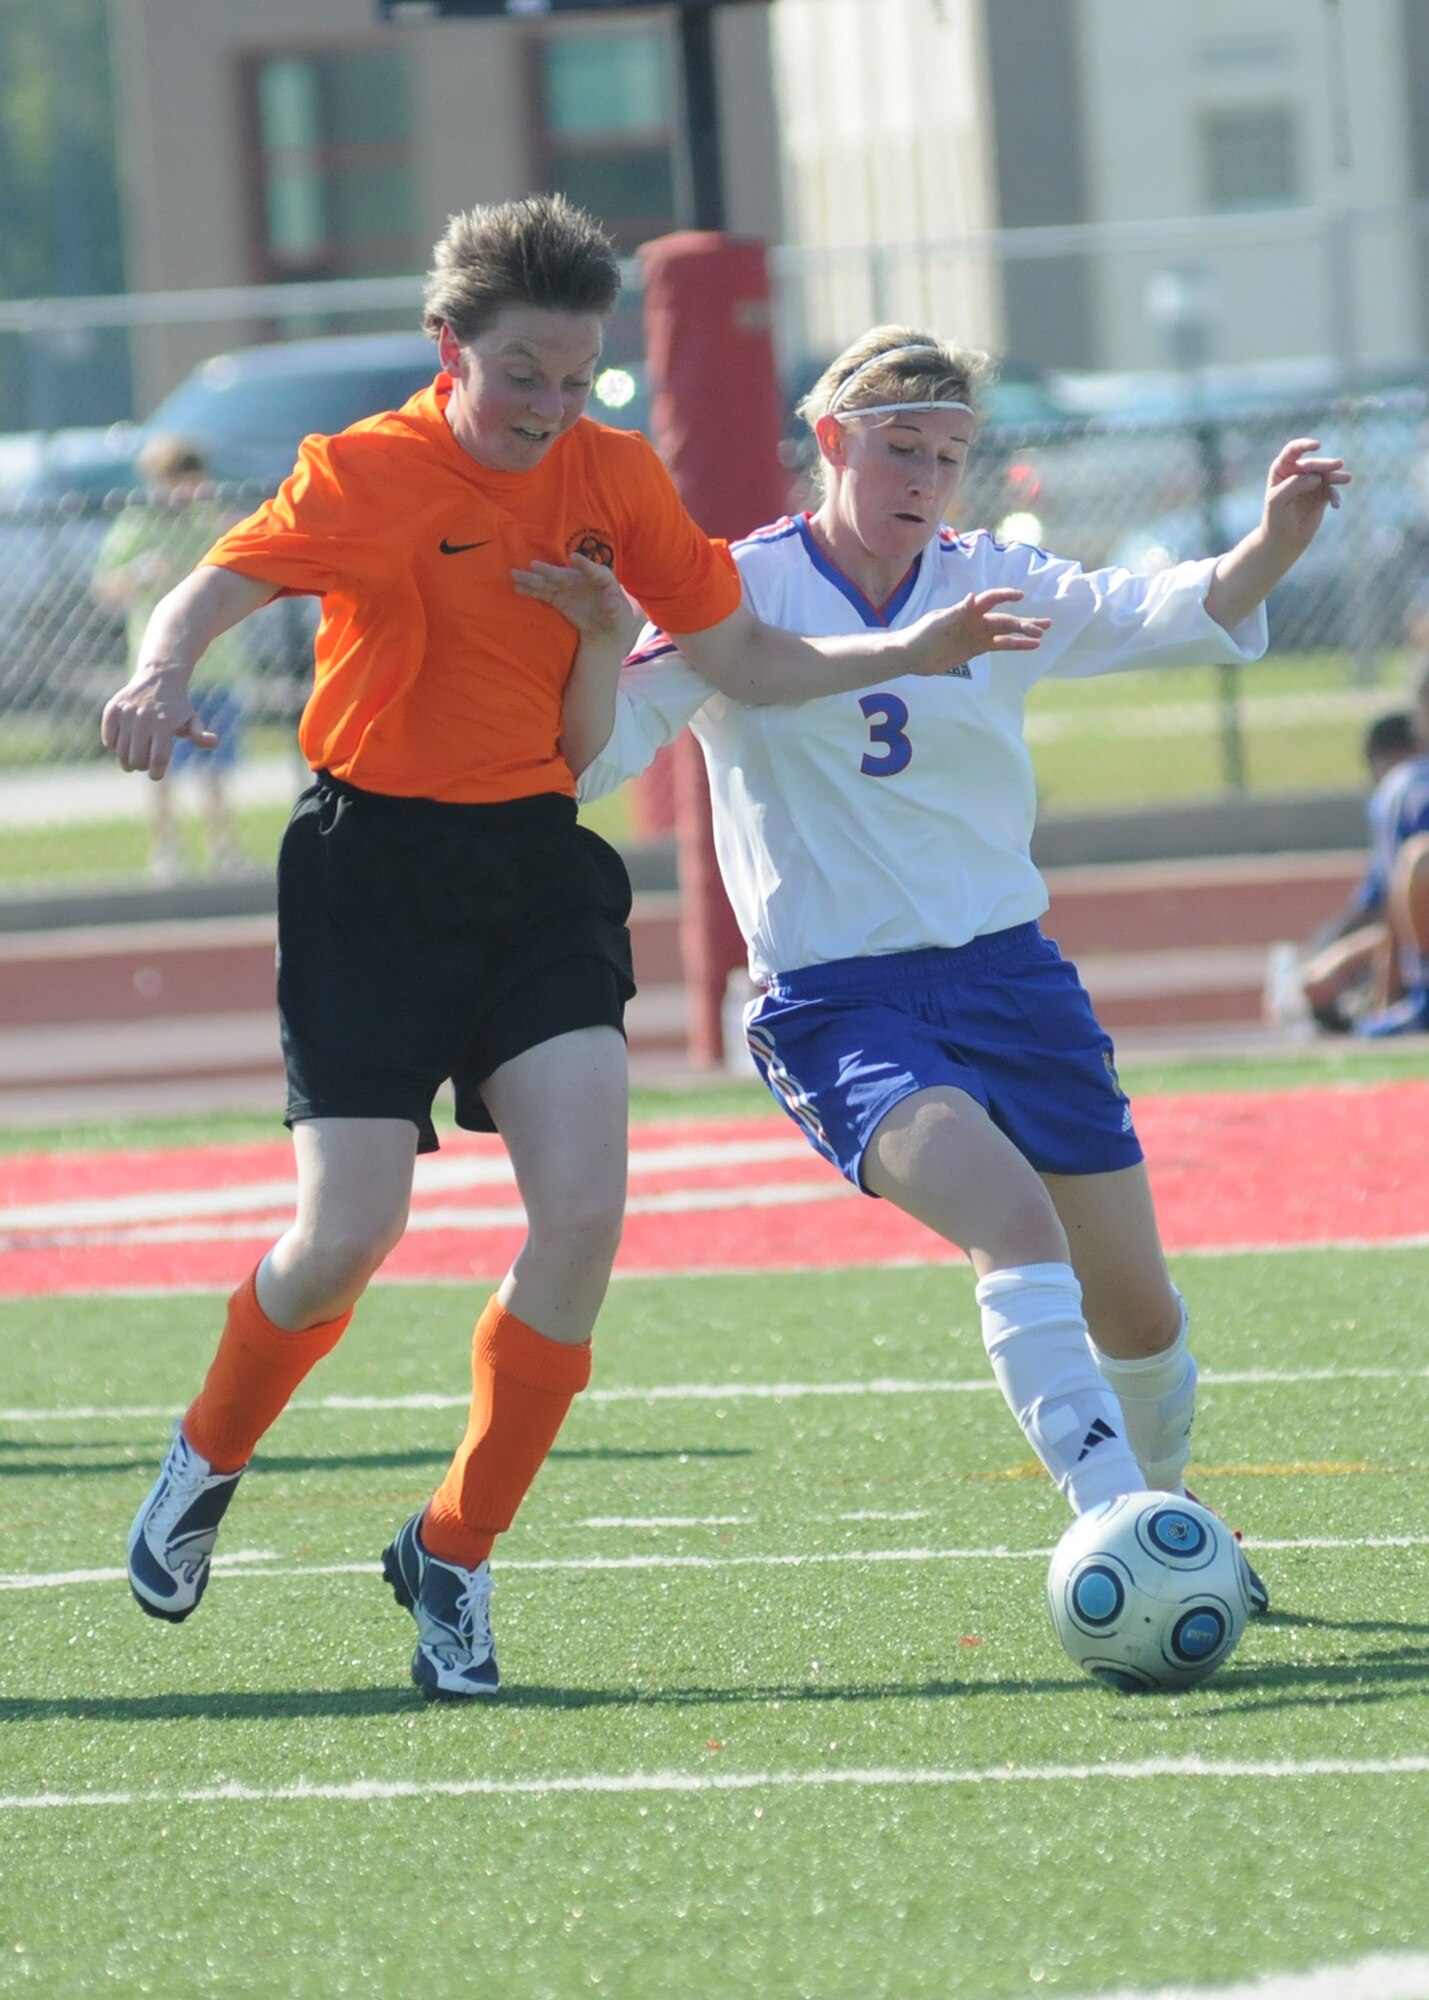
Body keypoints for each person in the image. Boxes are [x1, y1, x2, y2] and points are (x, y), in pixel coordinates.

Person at [100, 210, 1039, 1700]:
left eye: (577, 376)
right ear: (448, 350)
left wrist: (905, 652)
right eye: (520, 373)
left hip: (536, 871)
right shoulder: (368, 470)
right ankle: (207, 1453)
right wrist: (159, 668)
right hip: (369, 876)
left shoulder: (616, 478)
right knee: (347, 1232)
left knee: (586, 1214)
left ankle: (453, 1551)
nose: (549, 405)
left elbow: (741, 658)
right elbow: (216, 581)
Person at [525, 324, 1351, 1606]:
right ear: (834, 443)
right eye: (900, 446)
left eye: (949, 454)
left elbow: (1173, 608)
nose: (923, 475)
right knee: (1011, 1226)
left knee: (1137, 1309)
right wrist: (591, 639)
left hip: (1013, 979)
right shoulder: (733, 591)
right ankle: (1121, 1523)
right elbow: (587, 759)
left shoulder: (993, 576)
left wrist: (1274, 541)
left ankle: (1169, 1511)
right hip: (839, 1002)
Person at [92, 437, 246, 880]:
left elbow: (249, 546)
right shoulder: (138, 522)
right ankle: (166, 852)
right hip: (156, 675)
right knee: (160, 769)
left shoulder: (209, 518)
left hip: (215, 667)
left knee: (216, 768)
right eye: (177, 480)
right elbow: (105, 589)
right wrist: (140, 571)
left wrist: (216, 512)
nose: (185, 491)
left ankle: (223, 847)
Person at [1298, 706, 1428, 1033]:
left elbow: (1399, 910)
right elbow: (1385, 909)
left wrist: (1342, 961)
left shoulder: (1407, 790)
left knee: (1420, 859)